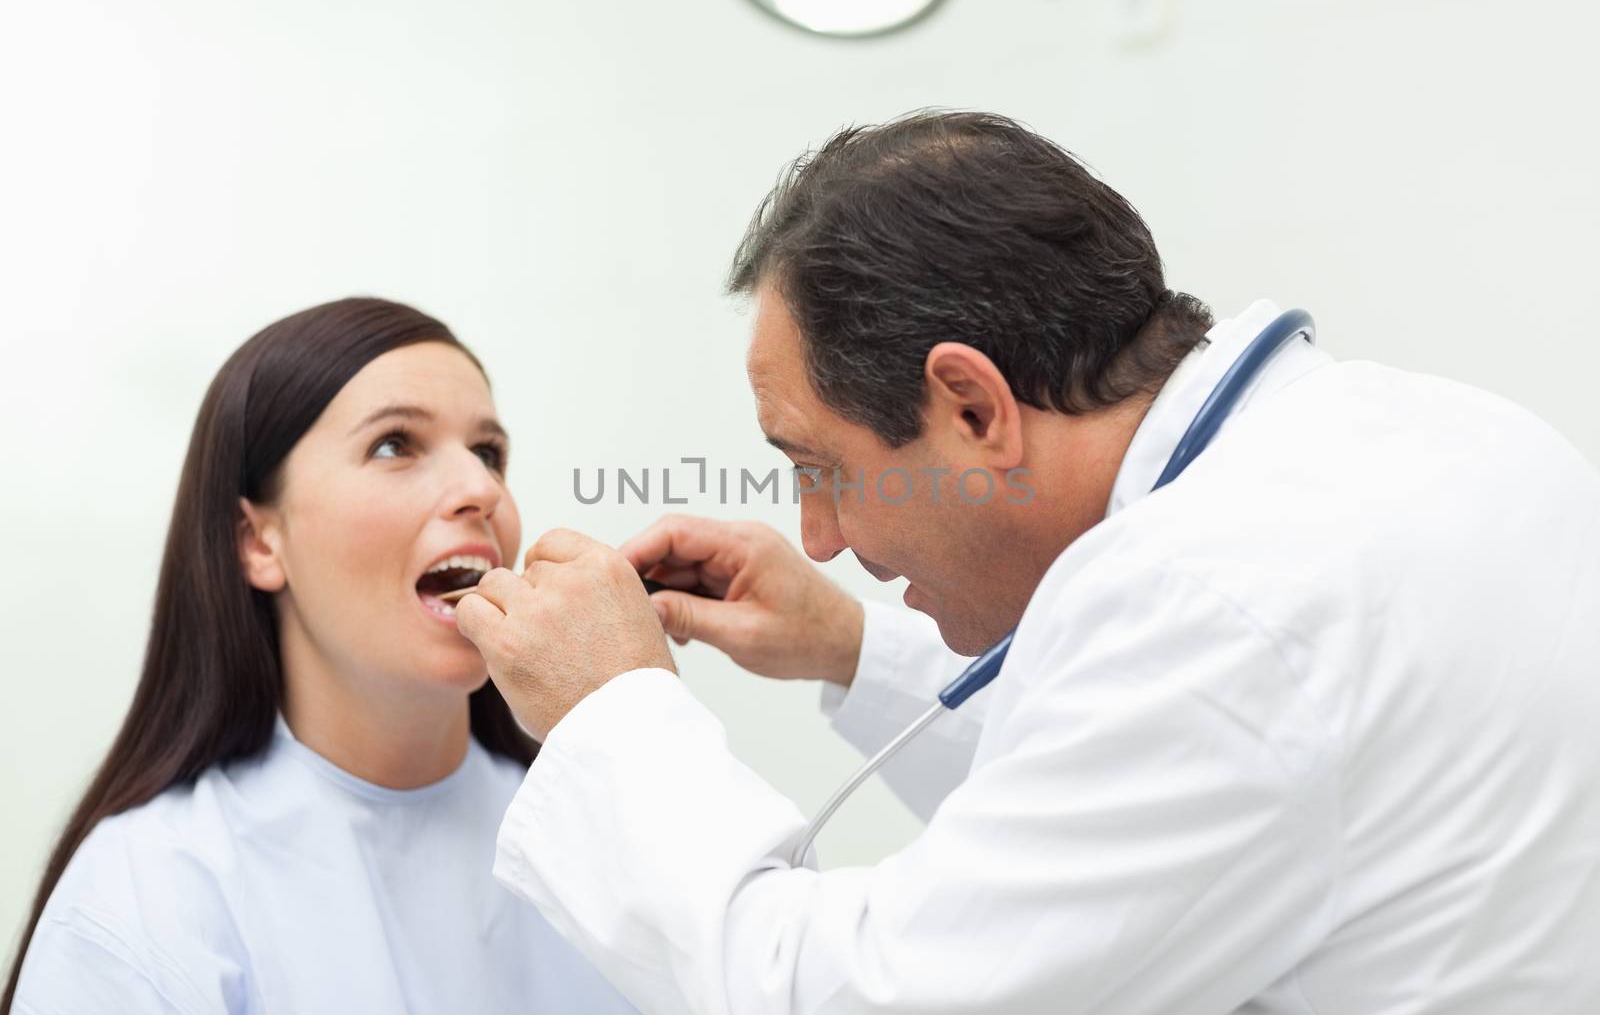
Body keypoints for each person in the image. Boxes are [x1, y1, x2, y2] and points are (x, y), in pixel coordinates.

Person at [457, 112, 1600, 1013]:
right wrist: (851, 646)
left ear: (970, 404)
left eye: (821, 466)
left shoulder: (1214, 598)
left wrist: (613, 711)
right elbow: (1152, 827)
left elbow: (842, 994)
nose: (819, 536)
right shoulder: (1429, 436)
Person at [4, 298, 636, 1015]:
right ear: (258, 542)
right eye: (395, 445)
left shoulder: (601, 842)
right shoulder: (141, 898)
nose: (482, 489)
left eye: (488, 453)